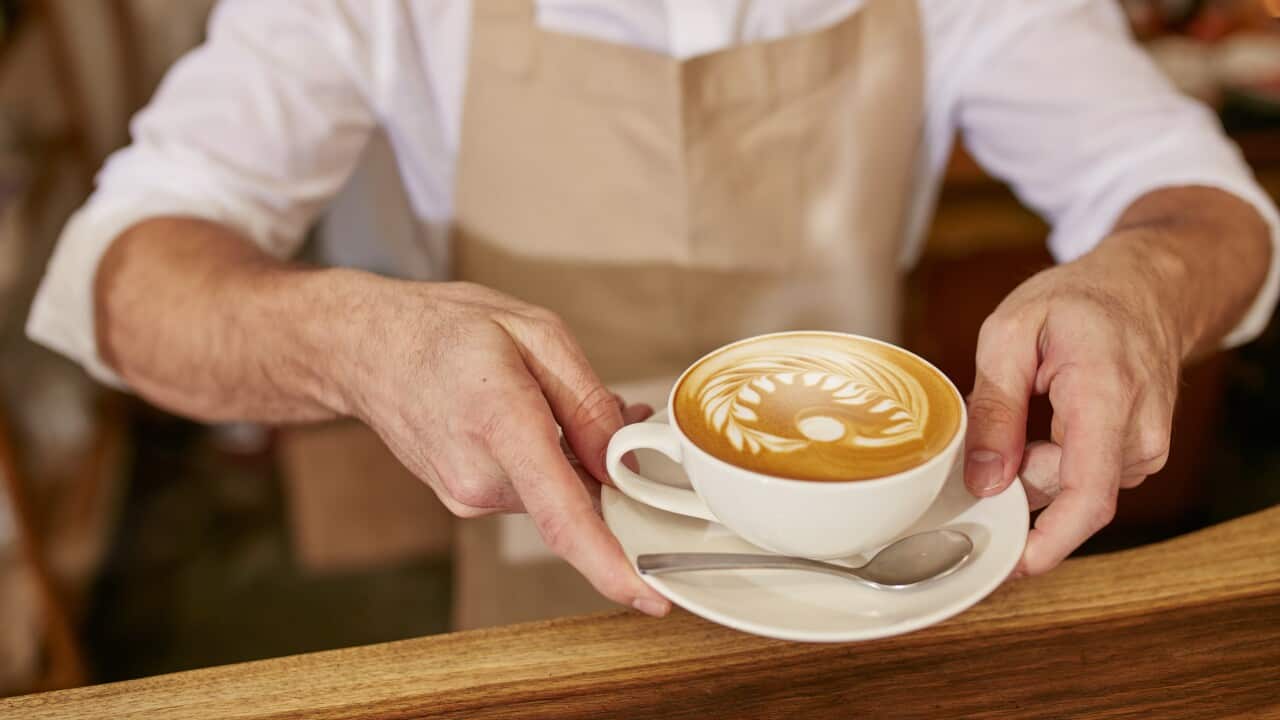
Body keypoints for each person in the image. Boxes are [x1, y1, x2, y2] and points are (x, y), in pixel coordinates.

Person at [28, 0, 1278, 618]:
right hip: (535, 555)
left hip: (866, 557)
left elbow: (1195, 203)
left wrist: (1147, 282)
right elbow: (119, 272)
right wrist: (354, 342)